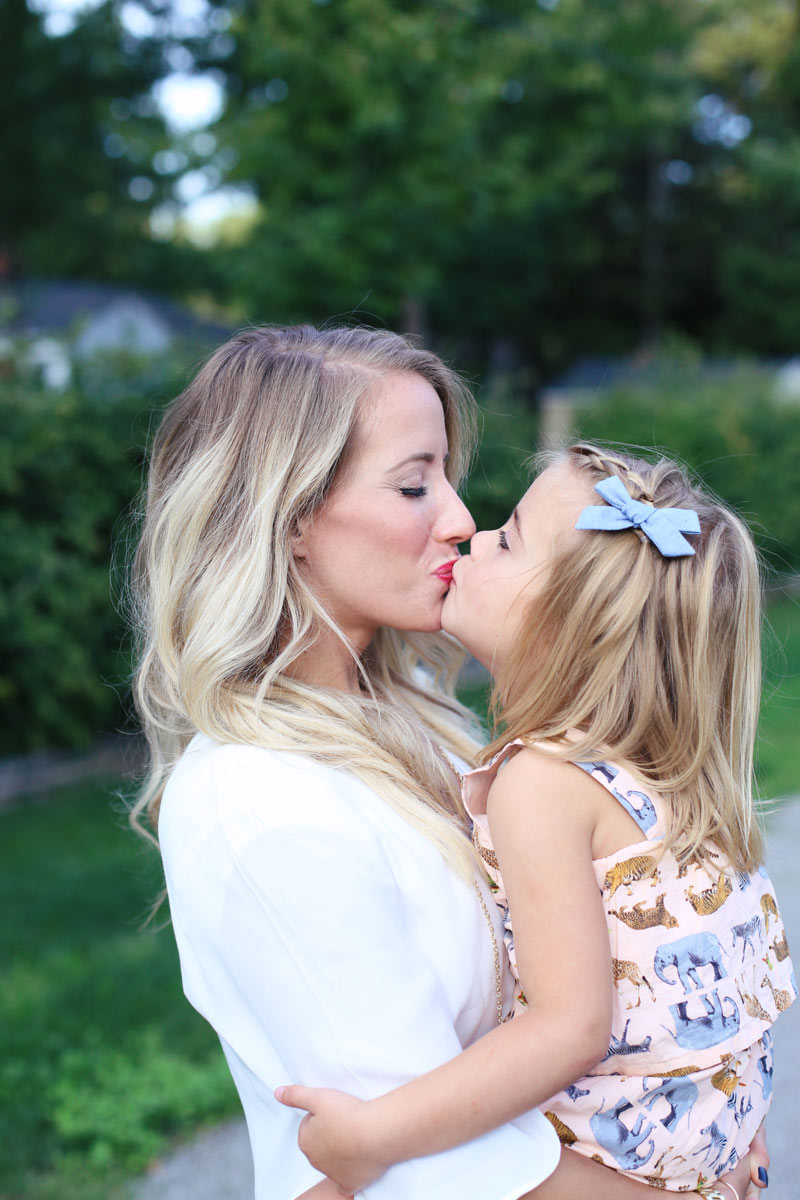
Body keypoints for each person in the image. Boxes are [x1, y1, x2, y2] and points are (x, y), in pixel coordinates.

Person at [275, 442, 791, 1198]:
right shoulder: (664, 772)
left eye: (509, 540)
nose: (475, 536)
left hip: (611, 1158)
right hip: (709, 1142)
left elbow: (567, 1029)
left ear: (568, 626)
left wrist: (371, 1136)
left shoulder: (544, 785)